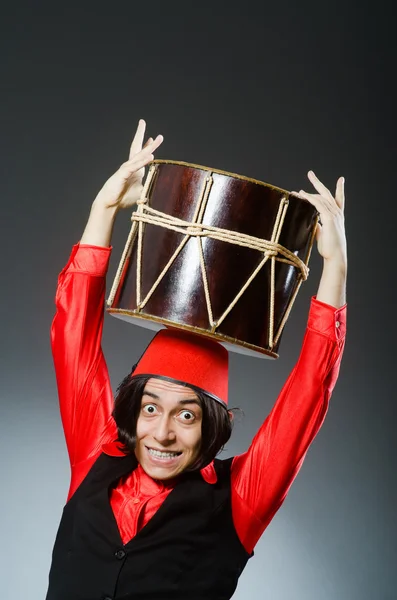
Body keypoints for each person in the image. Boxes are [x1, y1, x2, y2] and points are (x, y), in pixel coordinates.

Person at [46, 120, 347, 600]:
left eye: (186, 415)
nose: (162, 433)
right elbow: (72, 338)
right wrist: (103, 210)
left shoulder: (239, 499)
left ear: (213, 423)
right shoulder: (95, 455)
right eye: (150, 408)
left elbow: (308, 397)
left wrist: (336, 269)